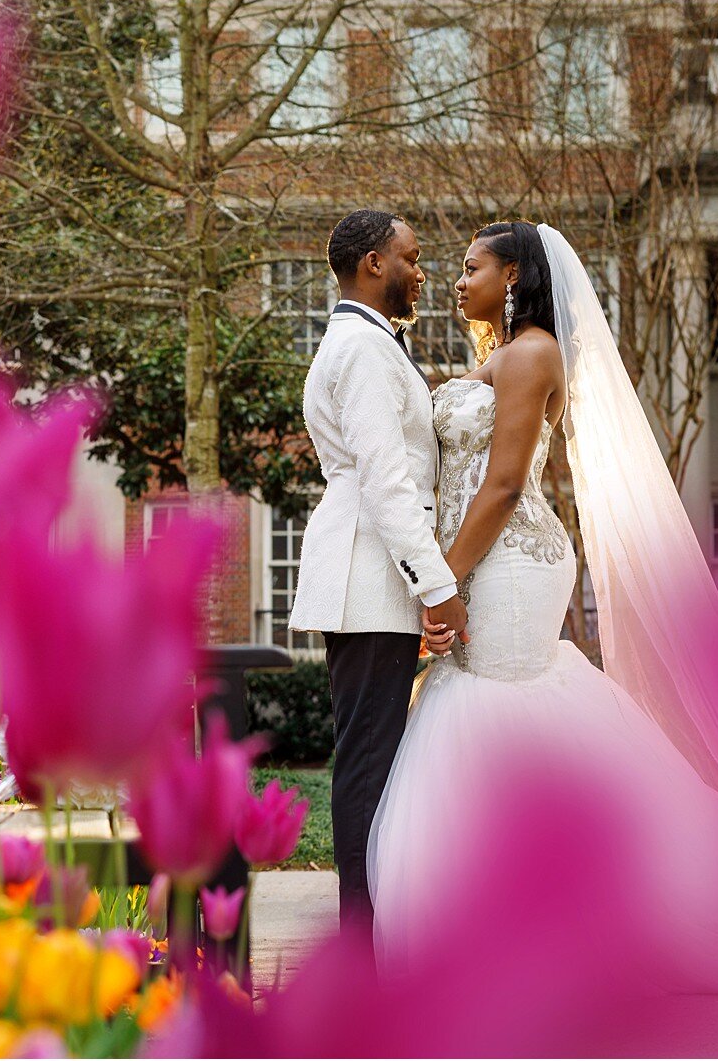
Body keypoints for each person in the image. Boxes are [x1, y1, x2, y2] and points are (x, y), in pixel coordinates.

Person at [366, 220, 718, 986]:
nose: (455, 279)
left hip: (511, 564)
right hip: (478, 562)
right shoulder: (495, 357)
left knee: (494, 708)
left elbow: (507, 485)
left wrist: (440, 583)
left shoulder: (536, 349)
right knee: (479, 711)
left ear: (513, 277)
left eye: (471, 267)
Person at [288, 209, 462, 951]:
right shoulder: (361, 349)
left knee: (375, 760)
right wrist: (436, 585)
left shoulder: (369, 344)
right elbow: (388, 484)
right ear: (373, 266)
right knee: (367, 763)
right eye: (412, 257)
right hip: (370, 585)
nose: (421, 270)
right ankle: (359, 950)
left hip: (372, 579)